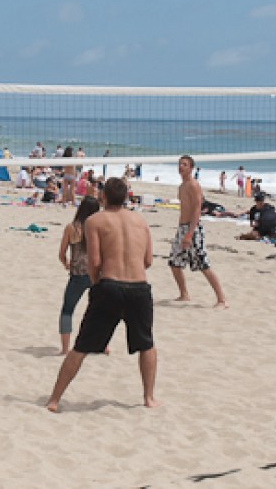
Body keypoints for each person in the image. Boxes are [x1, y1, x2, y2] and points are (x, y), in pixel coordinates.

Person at [45, 178, 157, 412]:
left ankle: (54, 399)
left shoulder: (94, 221)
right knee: (146, 344)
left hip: (110, 286)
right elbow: (148, 261)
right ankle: (148, 397)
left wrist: (97, 285)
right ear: (126, 196)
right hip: (139, 286)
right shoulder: (141, 221)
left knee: (81, 347)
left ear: (103, 197)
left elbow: (94, 261)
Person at [169, 155, 228, 308]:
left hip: (192, 229)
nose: (181, 166)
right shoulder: (181, 186)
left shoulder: (194, 185)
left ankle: (221, 299)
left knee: (203, 264)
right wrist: (182, 231)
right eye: (180, 164)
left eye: (184, 164)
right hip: (182, 228)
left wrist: (190, 233)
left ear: (191, 168)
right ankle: (184, 294)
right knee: (174, 263)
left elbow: (197, 210)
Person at [57, 197, 100, 355]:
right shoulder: (98, 229)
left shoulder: (71, 228)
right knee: (98, 311)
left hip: (77, 275)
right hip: (96, 274)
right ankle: (102, 345)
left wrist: (67, 264)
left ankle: (65, 348)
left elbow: (61, 254)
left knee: (67, 310)